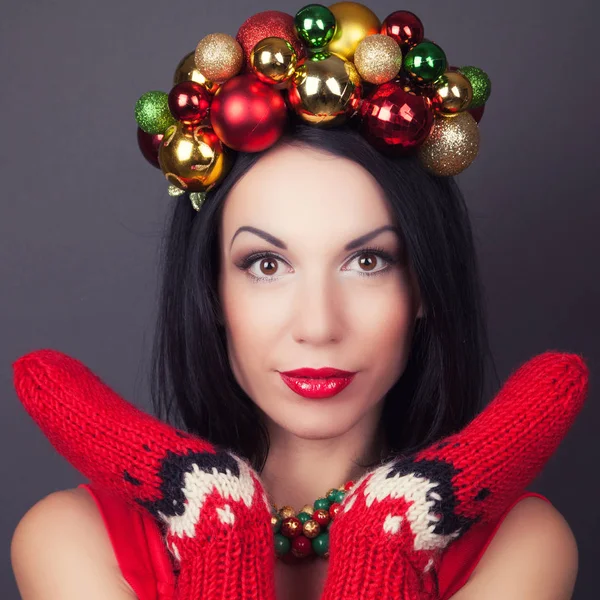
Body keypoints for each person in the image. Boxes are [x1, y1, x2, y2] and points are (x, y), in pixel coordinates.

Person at [10, 123, 580, 600]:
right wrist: (220, 531)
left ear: (424, 288)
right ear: (211, 291)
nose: (317, 326)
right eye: (265, 264)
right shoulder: (71, 538)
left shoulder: (521, 543)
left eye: (367, 261)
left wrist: (385, 544)